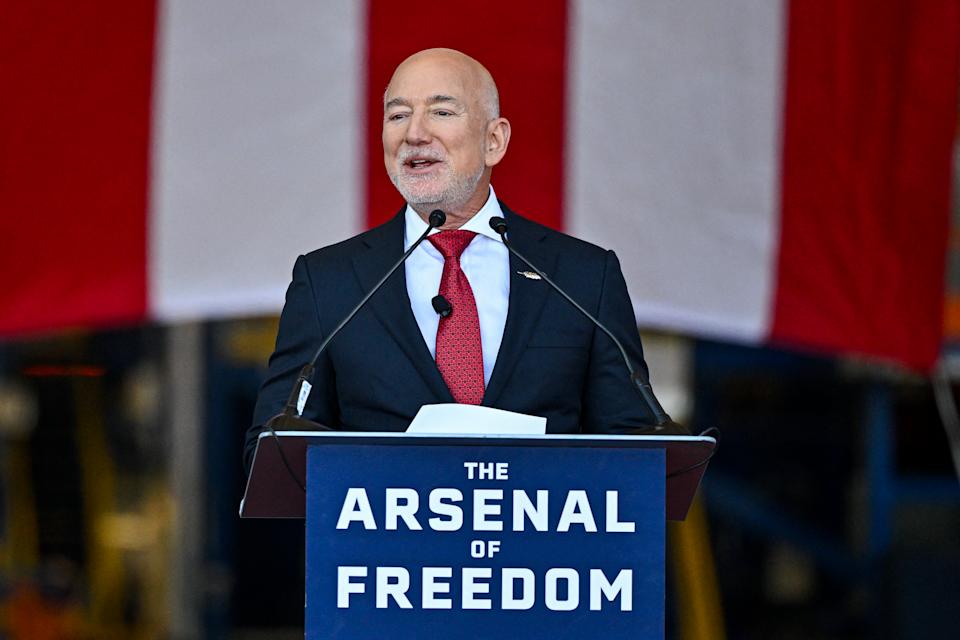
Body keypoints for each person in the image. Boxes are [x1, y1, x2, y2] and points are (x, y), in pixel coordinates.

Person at [245, 48, 671, 472]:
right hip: (388, 538)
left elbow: (634, 449)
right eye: (397, 116)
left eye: (441, 112)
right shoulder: (328, 283)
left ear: (494, 140)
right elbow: (273, 453)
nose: (413, 134)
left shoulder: (582, 277)